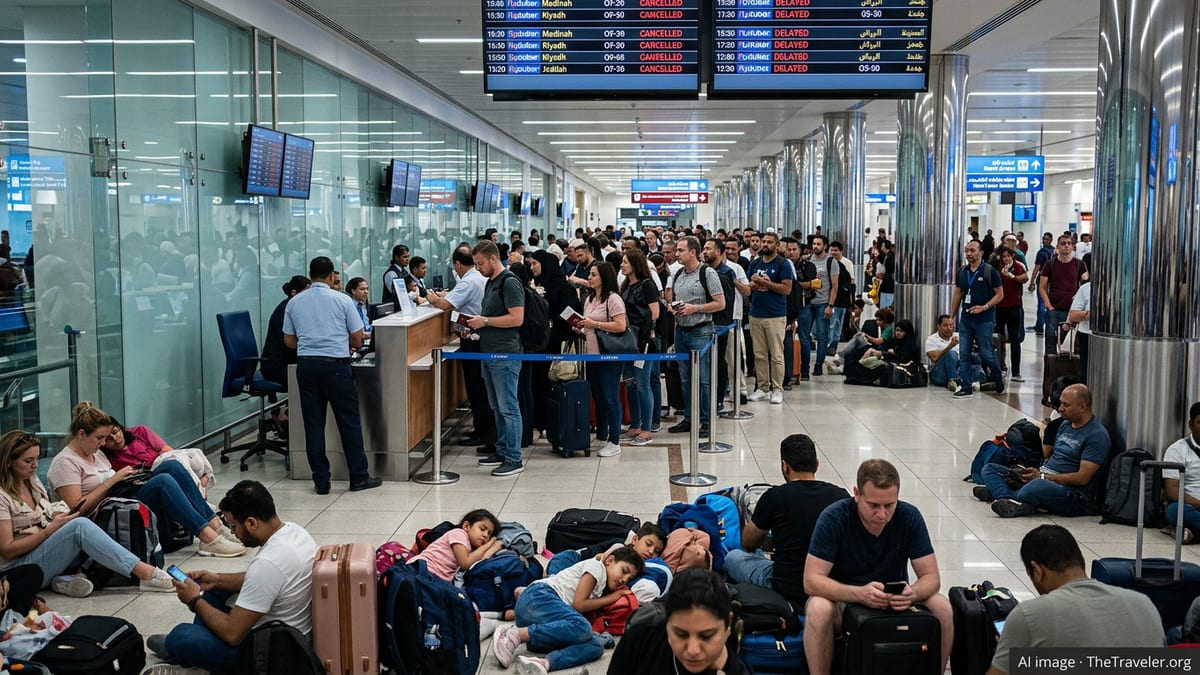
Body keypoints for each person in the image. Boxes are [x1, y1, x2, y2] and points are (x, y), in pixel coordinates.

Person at [146, 481, 319, 674]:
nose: (234, 534)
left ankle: (191, 653)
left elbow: (232, 634)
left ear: (252, 523)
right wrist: (217, 578)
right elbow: (268, 580)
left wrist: (193, 599)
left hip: (269, 652)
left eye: (234, 526)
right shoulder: (294, 531)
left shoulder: (268, 564)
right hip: (292, 636)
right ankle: (201, 654)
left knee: (179, 636)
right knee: (218, 588)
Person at [802, 459, 954, 675]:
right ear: (856, 494)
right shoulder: (834, 518)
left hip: (894, 600)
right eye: (873, 505)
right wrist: (859, 594)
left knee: (943, 608)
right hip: (844, 600)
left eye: (889, 505)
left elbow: (931, 577)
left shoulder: (909, 516)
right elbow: (811, 580)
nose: (882, 515)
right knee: (818, 608)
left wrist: (913, 593)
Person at [48, 402, 245, 558]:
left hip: (121, 498)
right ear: (81, 434)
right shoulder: (65, 463)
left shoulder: (95, 453)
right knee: (163, 482)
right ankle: (207, 537)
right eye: (100, 438)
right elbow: (77, 510)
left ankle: (215, 526)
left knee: (171, 466)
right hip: (105, 513)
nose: (103, 444)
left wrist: (126, 477)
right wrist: (112, 481)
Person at [0, 430, 175, 598]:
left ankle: (68, 578)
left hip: (40, 548)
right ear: (8, 461)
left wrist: (56, 518)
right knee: (80, 527)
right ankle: (146, 573)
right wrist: (49, 530)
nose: (36, 465)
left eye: (37, 458)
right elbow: (7, 550)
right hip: (17, 570)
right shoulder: (2, 496)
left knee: (91, 525)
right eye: (28, 461)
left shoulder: (30, 480)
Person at [985, 525, 1163, 675]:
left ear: (1037, 571)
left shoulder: (1030, 615)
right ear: (1080, 561)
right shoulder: (1143, 603)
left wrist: (1012, 653)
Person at [284, 256, 382, 495]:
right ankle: (358, 476)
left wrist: (311, 344)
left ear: (310, 275)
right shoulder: (342, 300)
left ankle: (321, 480)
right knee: (348, 422)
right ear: (331, 277)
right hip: (336, 367)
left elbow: (288, 340)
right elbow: (358, 338)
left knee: (313, 425)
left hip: (307, 366)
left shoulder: (295, 302)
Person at [724, 434, 849, 604]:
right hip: (829, 587)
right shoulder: (841, 496)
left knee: (733, 557)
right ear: (817, 464)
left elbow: (748, 541)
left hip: (786, 587)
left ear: (784, 466)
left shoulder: (774, 497)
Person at [492, 545, 645, 675]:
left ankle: (543, 663)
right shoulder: (596, 567)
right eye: (624, 571)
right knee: (583, 626)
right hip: (540, 595)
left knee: (595, 647)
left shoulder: (601, 586)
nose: (624, 580)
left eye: (629, 579)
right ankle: (514, 634)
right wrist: (613, 597)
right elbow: (579, 605)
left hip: (542, 625)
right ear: (610, 560)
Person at [976, 384, 1111, 517]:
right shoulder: (1065, 425)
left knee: (1037, 486)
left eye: (1066, 405)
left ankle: (1006, 494)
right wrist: (1032, 473)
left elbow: (1082, 479)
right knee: (990, 469)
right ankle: (1014, 498)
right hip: (1045, 476)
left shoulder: (1096, 435)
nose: (1061, 409)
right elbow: (1050, 458)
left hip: (1073, 494)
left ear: (1083, 407)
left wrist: (1042, 477)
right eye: (1061, 404)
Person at [606, 568, 751, 675]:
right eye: (681, 634)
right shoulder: (639, 640)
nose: (693, 650)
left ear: (728, 625)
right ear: (667, 621)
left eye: (706, 636)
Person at [468, 241, 527, 477]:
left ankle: (514, 457)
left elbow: (516, 318)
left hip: (505, 354)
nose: (478, 268)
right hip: (488, 351)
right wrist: (476, 326)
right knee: (496, 406)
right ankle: (502, 449)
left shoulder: (510, 283)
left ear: (494, 259)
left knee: (508, 407)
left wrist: (485, 322)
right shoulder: (491, 283)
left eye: (480, 263)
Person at [428, 248, 494, 455]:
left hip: (473, 341)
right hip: (480, 339)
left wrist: (430, 298)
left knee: (476, 387)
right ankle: (482, 430)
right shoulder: (478, 279)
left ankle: (483, 432)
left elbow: (443, 305)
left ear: (457, 265)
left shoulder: (468, 281)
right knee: (480, 388)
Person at [664, 236, 725, 437]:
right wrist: (673, 308)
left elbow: (720, 303)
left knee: (703, 379)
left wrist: (695, 308)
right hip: (681, 331)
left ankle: (707, 420)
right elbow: (673, 299)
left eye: (681, 250)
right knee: (685, 378)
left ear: (693, 252)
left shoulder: (708, 273)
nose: (677, 254)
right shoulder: (679, 273)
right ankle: (690, 418)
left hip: (701, 330)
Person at [575, 262, 628, 458]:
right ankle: (602, 434)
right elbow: (589, 324)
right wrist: (581, 327)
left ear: (604, 278)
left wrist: (594, 324)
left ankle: (615, 441)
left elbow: (620, 325)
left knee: (610, 396)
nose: (589, 278)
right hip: (592, 354)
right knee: (597, 395)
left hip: (609, 355)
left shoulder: (613, 299)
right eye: (590, 274)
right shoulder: (589, 299)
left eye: (594, 275)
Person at [102, 417, 215, 499]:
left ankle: (202, 481)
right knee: (173, 469)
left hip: (163, 460)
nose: (116, 439)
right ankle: (200, 488)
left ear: (120, 427)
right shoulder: (108, 458)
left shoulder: (139, 432)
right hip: (149, 475)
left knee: (195, 456)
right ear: (102, 443)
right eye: (109, 439)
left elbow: (166, 450)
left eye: (115, 432)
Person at [949, 240, 1004, 399]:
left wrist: (984, 306)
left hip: (984, 320)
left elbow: (1000, 294)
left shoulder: (989, 271)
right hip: (966, 319)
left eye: (972, 250)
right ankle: (965, 386)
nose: (968, 254)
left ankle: (997, 375)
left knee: (986, 353)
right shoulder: (962, 271)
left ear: (981, 253)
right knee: (964, 353)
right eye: (967, 250)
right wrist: (952, 316)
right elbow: (958, 293)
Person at [746, 231, 795, 405]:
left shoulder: (783, 264)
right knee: (759, 354)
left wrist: (765, 282)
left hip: (775, 314)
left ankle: (777, 389)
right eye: (763, 241)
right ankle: (763, 387)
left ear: (777, 245)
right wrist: (754, 283)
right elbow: (748, 287)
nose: (765, 244)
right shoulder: (756, 262)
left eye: (769, 242)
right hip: (756, 313)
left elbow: (786, 289)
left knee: (776, 355)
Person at [619, 249, 661, 447]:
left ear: (635, 264)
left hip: (644, 343)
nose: (622, 265)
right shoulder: (627, 285)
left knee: (643, 384)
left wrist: (645, 335)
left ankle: (646, 428)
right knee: (630, 383)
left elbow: (655, 313)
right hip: (628, 341)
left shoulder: (647, 285)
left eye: (626, 262)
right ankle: (635, 424)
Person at [411, 509, 502, 582]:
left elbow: (480, 561)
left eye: (489, 534)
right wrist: (489, 544)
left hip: (434, 579)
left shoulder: (473, 550)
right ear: (466, 526)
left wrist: (495, 547)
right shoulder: (459, 534)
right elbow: (465, 563)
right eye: (482, 529)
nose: (485, 535)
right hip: (420, 569)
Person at [546, 522, 666, 576]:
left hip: (586, 578)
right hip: (577, 561)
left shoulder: (640, 569)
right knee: (562, 561)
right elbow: (587, 553)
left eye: (656, 551)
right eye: (648, 544)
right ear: (635, 540)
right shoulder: (618, 546)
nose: (651, 551)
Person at [1038, 234, 1088, 356]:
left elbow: (1086, 284)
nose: (1066, 246)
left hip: (1072, 312)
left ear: (1073, 247)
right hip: (1054, 310)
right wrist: (1049, 306)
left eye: (1069, 243)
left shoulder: (1079, 264)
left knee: (1068, 345)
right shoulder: (1050, 264)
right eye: (1063, 243)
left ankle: (1067, 372)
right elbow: (1042, 287)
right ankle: (1050, 372)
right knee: (1050, 344)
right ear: (1058, 247)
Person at [798, 234, 837, 378]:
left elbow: (835, 286)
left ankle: (818, 365)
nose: (815, 246)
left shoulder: (831, 262)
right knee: (804, 336)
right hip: (807, 302)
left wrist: (830, 305)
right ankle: (805, 368)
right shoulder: (806, 260)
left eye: (819, 244)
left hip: (823, 303)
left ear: (825, 246)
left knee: (822, 336)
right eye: (814, 244)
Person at [1161, 403, 1200, 545]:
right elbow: (1172, 492)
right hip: (1190, 507)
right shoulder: (1177, 450)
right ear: (1191, 425)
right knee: (1175, 511)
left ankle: (1193, 534)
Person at [261, 275, 309, 388]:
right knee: (315, 376)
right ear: (294, 293)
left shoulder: (297, 308)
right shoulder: (283, 311)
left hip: (290, 361)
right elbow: (288, 342)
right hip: (278, 366)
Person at [993, 247, 1027, 381]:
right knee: (999, 339)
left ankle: (1016, 372)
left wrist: (1012, 276)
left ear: (1013, 257)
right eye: (1004, 256)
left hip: (1014, 307)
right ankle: (1001, 367)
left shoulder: (1018, 266)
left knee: (1015, 339)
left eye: (1008, 256)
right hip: (1000, 307)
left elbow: (1024, 278)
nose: (1006, 259)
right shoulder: (998, 268)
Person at [1067, 256, 1092, 382]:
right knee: (1085, 370)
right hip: (1087, 335)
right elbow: (1073, 315)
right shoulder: (1085, 289)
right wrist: (1088, 314)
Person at [1026, 232, 1054, 335]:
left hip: (1042, 279)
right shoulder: (1054, 251)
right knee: (1050, 304)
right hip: (1052, 280)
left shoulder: (1041, 252)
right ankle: (1050, 325)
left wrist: (1032, 282)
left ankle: (1039, 326)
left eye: (1047, 239)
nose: (1045, 241)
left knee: (1042, 304)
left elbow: (1037, 268)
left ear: (1050, 240)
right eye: (1044, 239)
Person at [925, 314, 962, 389]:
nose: (949, 328)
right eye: (945, 325)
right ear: (939, 326)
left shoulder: (958, 336)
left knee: (974, 357)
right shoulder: (931, 339)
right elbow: (935, 358)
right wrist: (950, 346)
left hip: (958, 369)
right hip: (939, 373)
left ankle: (979, 382)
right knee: (951, 354)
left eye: (951, 325)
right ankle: (955, 381)